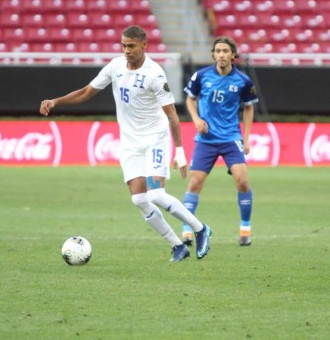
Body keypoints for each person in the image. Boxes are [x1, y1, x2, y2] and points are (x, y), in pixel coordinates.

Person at [39, 25, 211, 262]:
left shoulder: (155, 74)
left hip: (155, 139)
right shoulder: (115, 66)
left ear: (144, 45)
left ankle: (201, 229)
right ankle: (178, 246)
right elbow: (87, 91)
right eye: (124, 46)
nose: (127, 50)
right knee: (139, 199)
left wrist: (179, 150)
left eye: (131, 46)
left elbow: (172, 115)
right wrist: (56, 101)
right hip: (130, 142)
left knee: (157, 195)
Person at [180, 36, 258, 247]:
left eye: (226, 51)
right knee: (195, 183)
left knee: (242, 180)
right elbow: (190, 98)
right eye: (218, 51)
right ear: (213, 54)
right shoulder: (201, 76)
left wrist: (247, 137)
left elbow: (249, 107)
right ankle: (187, 229)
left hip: (231, 137)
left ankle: (245, 228)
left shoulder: (243, 81)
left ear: (233, 55)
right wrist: (196, 119)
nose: (221, 54)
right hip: (206, 139)